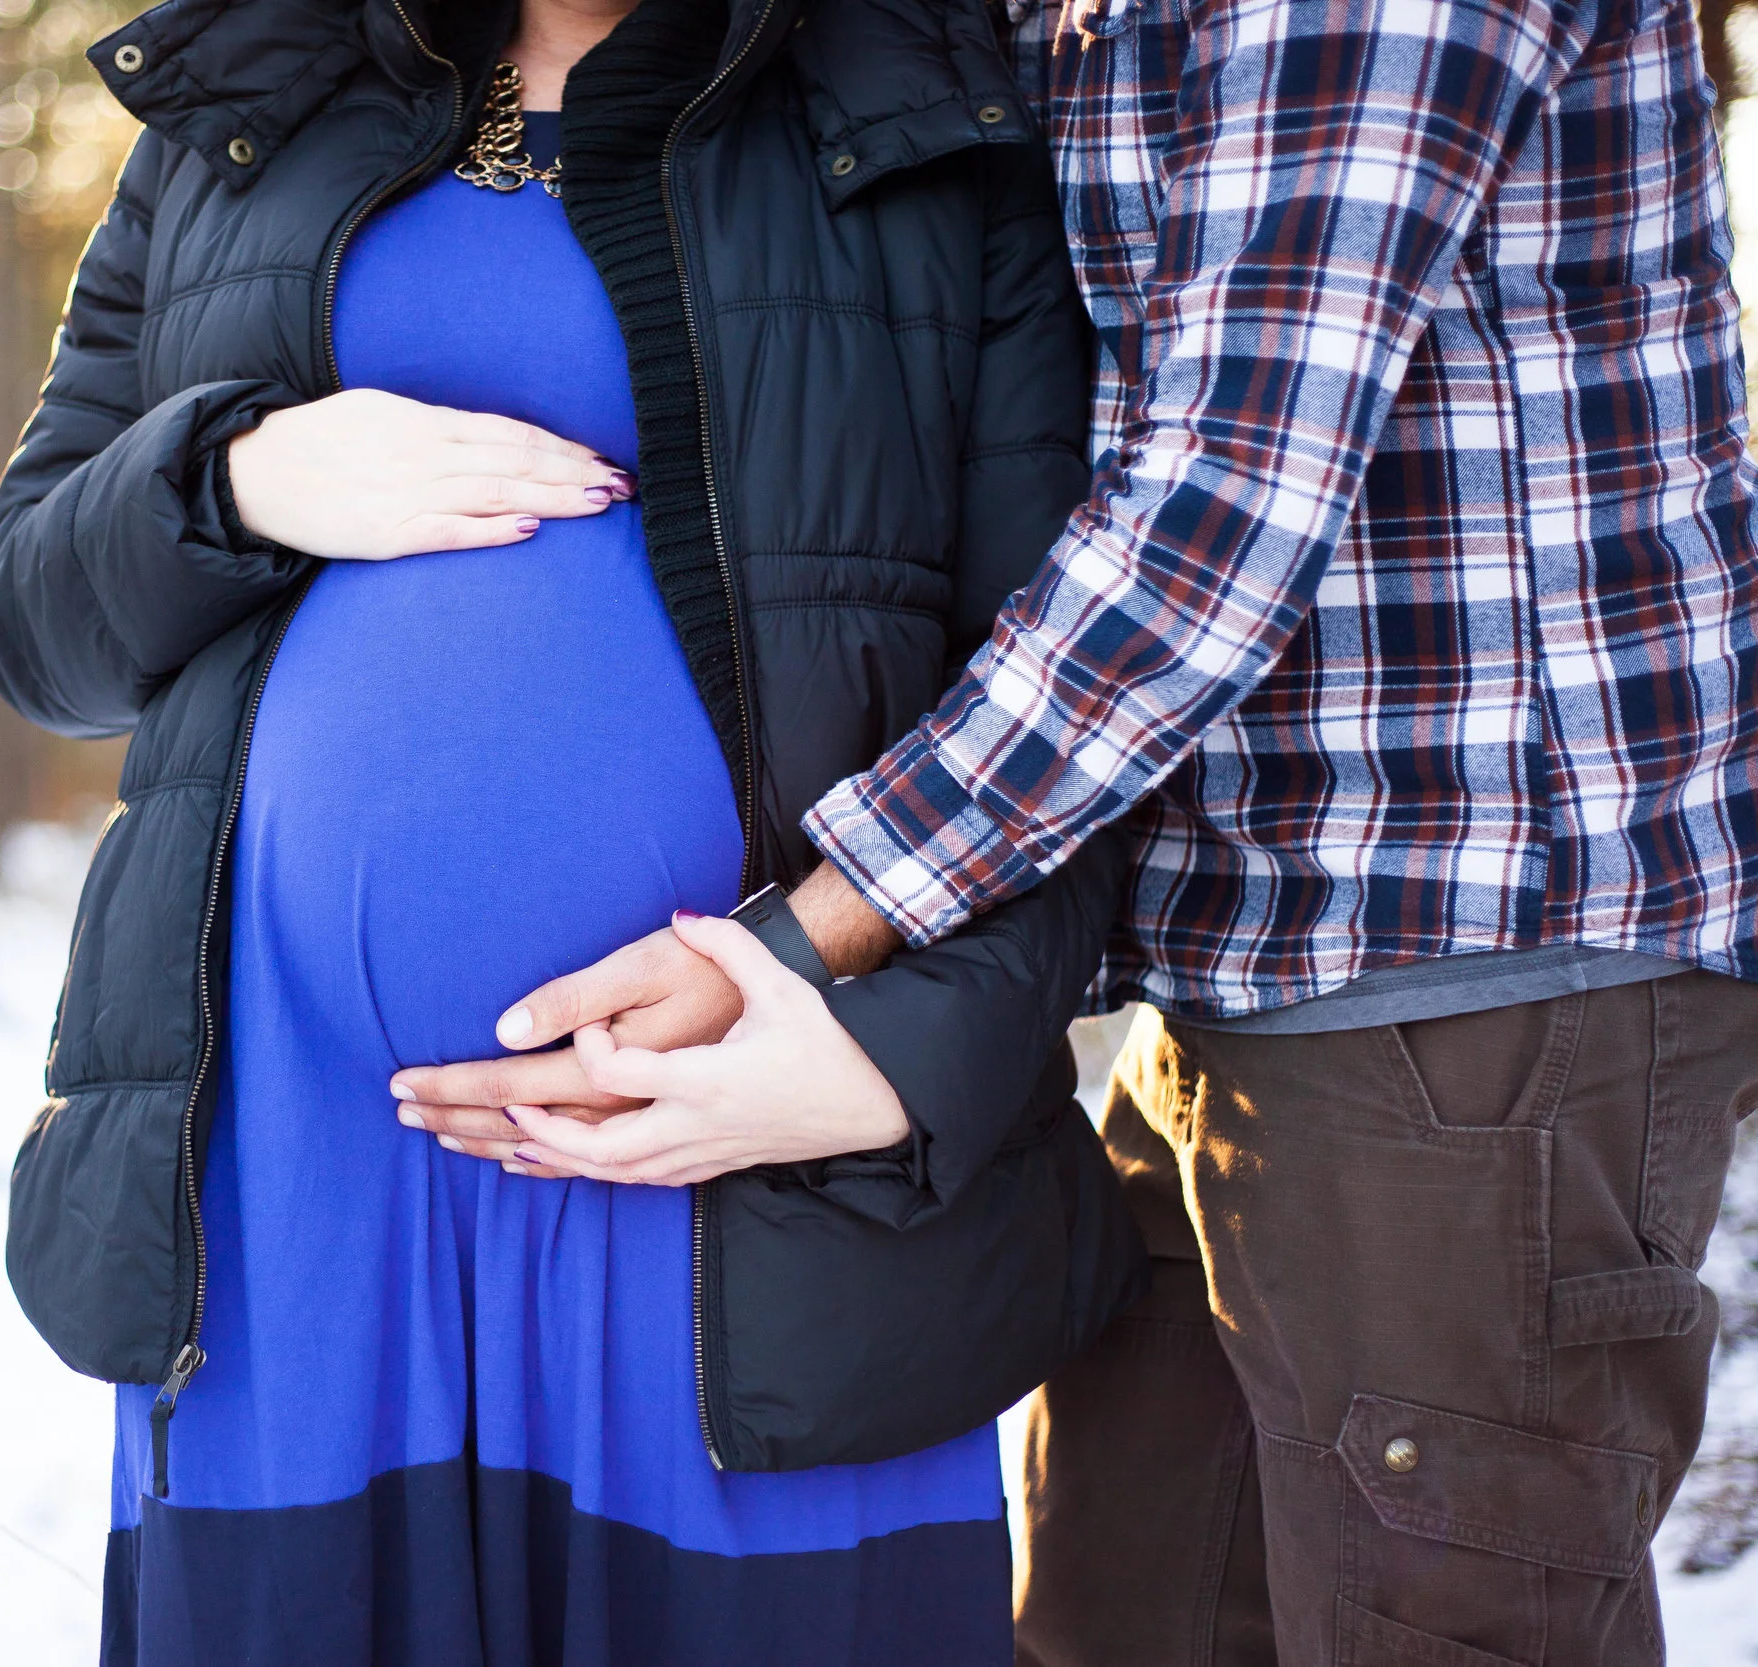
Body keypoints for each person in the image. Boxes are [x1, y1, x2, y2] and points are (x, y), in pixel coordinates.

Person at [397, 0, 1758, 1655]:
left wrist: (818, 934)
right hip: (1237, 959)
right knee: (1121, 1613)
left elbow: (1219, 509)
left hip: (1473, 961)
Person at [0, 0, 1148, 1657]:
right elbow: (33, 621)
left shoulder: (932, 107)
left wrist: (888, 1053)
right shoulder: (244, 98)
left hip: (758, 1183)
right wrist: (240, 474)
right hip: (301, 1186)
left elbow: (1089, 679)